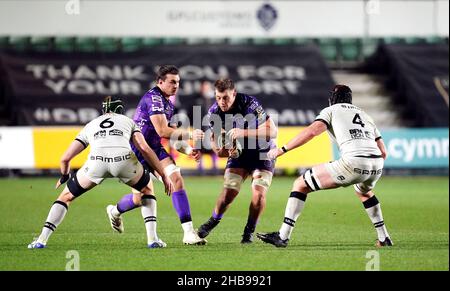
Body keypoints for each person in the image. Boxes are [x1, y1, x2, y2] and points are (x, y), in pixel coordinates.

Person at [28, 96, 174, 249]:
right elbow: (144, 149)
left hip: (96, 163)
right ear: (120, 109)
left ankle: (41, 240)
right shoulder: (128, 122)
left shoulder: (91, 125)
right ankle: (153, 240)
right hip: (123, 161)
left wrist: (65, 175)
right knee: (147, 190)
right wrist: (163, 174)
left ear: (103, 109)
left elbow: (65, 158)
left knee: (65, 197)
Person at [257, 85, 393, 248]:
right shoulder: (365, 115)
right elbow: (383, 152)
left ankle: (282, 236)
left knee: (300, 184)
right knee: (364, 193)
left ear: (332, 99)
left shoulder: (331, 110)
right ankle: (384, 237)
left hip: (353, 161)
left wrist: (282, 150)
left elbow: (311, 132)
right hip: (376, 164)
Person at [106, 65, 207, 245]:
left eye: (178, 82)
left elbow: (171, 135)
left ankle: (189, 233)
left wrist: (189, 150)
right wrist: (191, 134)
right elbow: (162, 130)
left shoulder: (167, 102)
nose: (176, 85)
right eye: (172, 82)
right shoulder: (154, 98)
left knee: (176, 179)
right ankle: (115, 211)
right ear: (160, 82)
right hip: (137, 150)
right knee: (139, 199)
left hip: (154, 148)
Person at [196, 78, 278, 243]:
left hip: (262, 151)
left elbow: (272, 131)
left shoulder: (249, 103)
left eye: (225, 97)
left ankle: (249, 231)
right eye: (218, 98)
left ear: (234, 93)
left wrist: (242, 132)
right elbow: (217, 145)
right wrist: (225, 151)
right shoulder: (214, 113)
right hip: (241, 155)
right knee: (228, 192)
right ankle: (214, 220)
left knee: (259, 193)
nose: (221, 102)